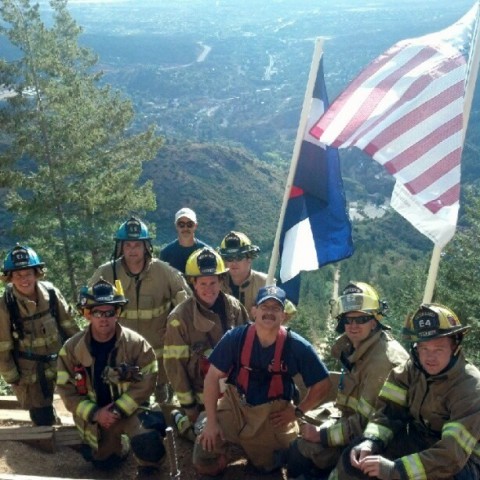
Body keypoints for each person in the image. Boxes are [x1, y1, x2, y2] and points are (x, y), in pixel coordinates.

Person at [193, 285, 332, 477]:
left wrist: (298, 411)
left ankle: (261, 454)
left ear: (283, 315)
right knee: (203, 456)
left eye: (275, 308)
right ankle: (231, 448)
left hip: (271, 417)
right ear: (254, 311)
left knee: (268, 470)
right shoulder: (236, 338)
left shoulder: (297, 346)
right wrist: (211, 423)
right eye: (264, 306)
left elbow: (323, 384)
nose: (269, 312)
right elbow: (212, 378)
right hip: (236, 408)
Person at [339, 303, 480, 480]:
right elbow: (389, 413)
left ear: (455, 348)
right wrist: (371, 441)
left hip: (463, 462)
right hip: (419, 441)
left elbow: (451, 456)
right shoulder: (411, 370)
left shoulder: (470, 387)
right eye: (424, 349)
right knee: (356, 459)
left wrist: (394, 470)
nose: (430, 357)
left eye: (438, 349)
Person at [286, 282, 409, 479]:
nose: (352, 325)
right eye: (347, 319)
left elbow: (367, 423)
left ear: (374, 321)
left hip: (377, 443)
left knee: (340, 467)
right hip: (350, 429)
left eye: (361, 319)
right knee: (298, 450)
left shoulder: (384, 360)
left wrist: (322, 435)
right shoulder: (355, 349)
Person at [56, 278, 167, 480]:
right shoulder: (71, 350)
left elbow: (148, 381)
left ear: (118, 313)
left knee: (149, 444)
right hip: (96, 418)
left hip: (129, 412)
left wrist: (117, 410)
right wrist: (96, 413)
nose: (104, 318)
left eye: (110, 312)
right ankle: (119, 449)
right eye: (97, 312)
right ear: (87, 314)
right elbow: (66, 390)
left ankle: (148, 465)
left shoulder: (136, 344)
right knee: (104, 464)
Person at [89, 216, 190, 404]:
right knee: (128, 406)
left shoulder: (164, 272)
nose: (132, 250)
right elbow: (87, 307)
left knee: (163, 407)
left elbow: (187, 306)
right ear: (121, 247)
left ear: (146, 246)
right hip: (123, 355)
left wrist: (176, 331)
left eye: (137, 245)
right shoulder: (106, 273)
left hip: (159, 356)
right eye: (128, 245)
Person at [164, 247, 249, 440]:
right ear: (193, 283)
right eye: (203, 283)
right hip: (201, 400)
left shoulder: (234, 308)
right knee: (207, 446)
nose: (208, 289)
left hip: (234, 396)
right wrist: (190, 409)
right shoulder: (179, 319)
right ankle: (183, 421)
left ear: (221, 281)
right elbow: (175, 368)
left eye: (213, 282)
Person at [0, 244, 79, 426]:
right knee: (43, 419)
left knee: (81, 404)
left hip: (60, 362)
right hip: (31, 373)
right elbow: (3, 348)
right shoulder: (5, 306)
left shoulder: (51, 293)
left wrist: (81, 358)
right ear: (10, 277)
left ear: (37, 273)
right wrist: (14, 379)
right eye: (18, 275)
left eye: (27, 273)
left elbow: (70, 328)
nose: (23, 279)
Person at [217, 231, 266, 316]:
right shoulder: (216, 283)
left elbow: (287, 312)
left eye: (239, 257)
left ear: (249, 258)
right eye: (229, 257)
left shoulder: (266, 283)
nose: (234, 262)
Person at [160, 207, 208, 274]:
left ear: (195, 226)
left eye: (189, 224)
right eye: (181, 224)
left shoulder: (206, 252)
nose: (185, 228)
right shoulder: (166, 253)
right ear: (176, 226)